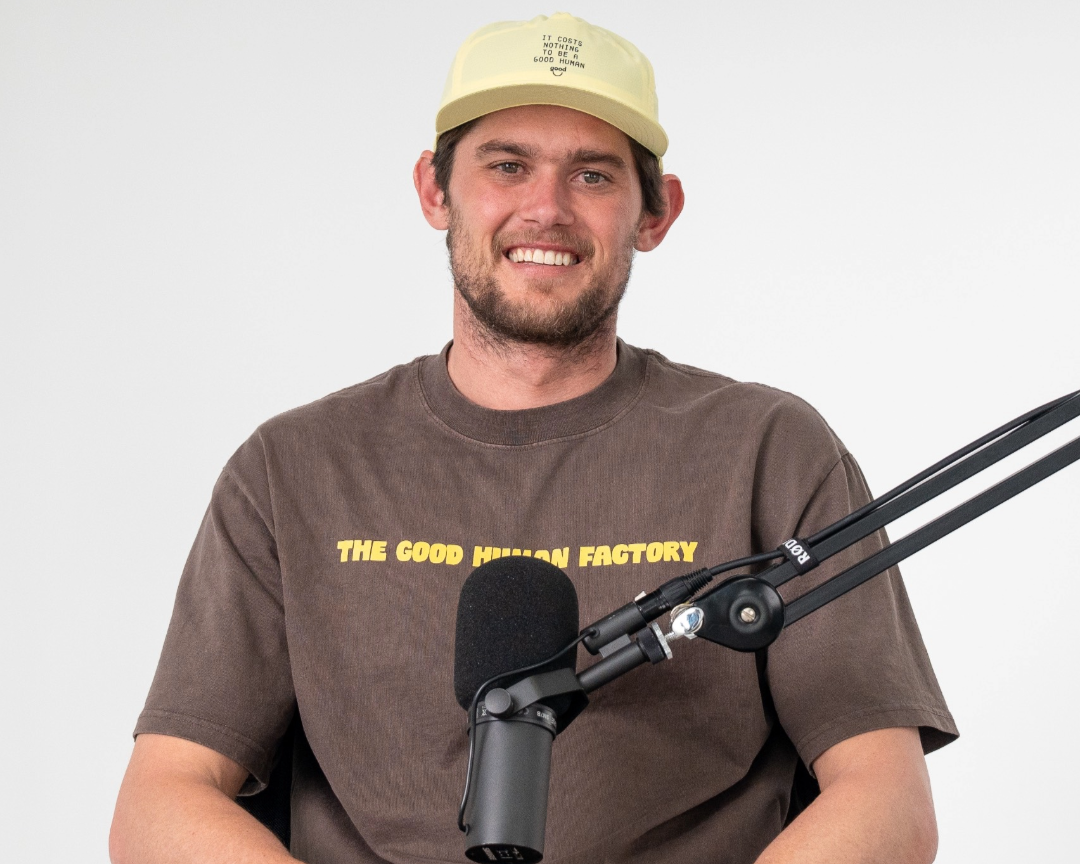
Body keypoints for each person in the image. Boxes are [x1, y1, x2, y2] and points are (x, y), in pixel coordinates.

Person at [110, 12, 956, 864]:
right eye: (507, 165)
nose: (545, 208)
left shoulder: (768, 451)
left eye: (592, 174)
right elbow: (164, 799)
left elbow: (881, 796)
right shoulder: (293, 469)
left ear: (655, 213)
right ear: (435, 190)